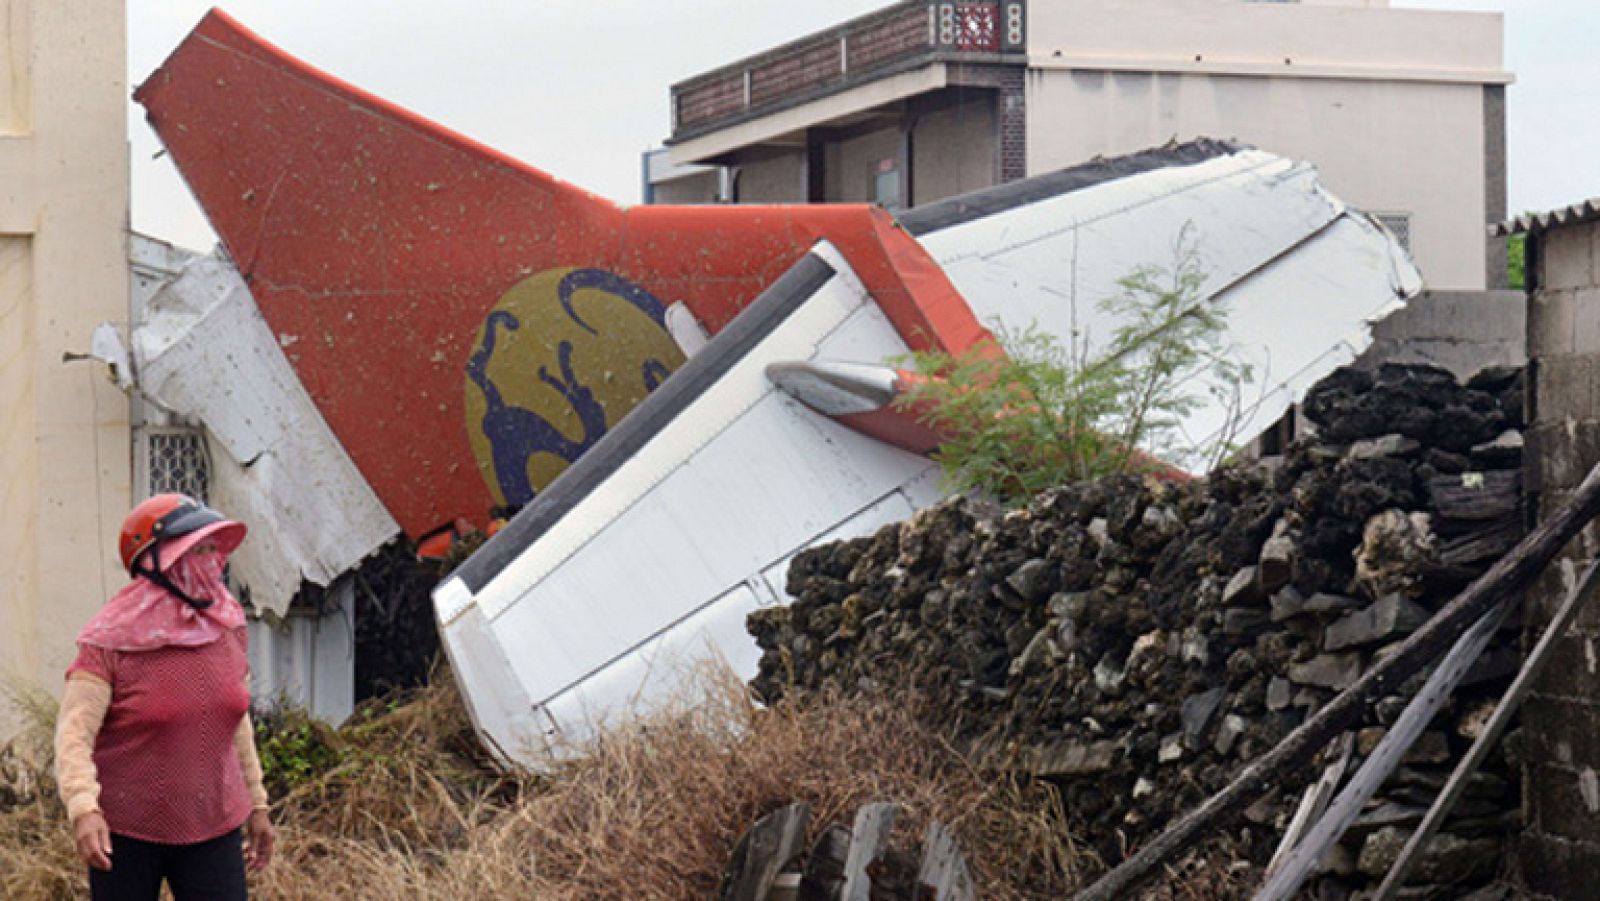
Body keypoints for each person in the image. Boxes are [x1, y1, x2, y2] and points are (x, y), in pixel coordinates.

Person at [54, 494, 276, 899]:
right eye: (198, 549)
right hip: (127, 832)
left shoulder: (225, 627)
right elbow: (74, 735)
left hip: (214, 826)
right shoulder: (109, 642)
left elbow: (234, 721)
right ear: (157, 562)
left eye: (214, 549)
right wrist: (84, 809)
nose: (211, 560)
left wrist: (257, 803)